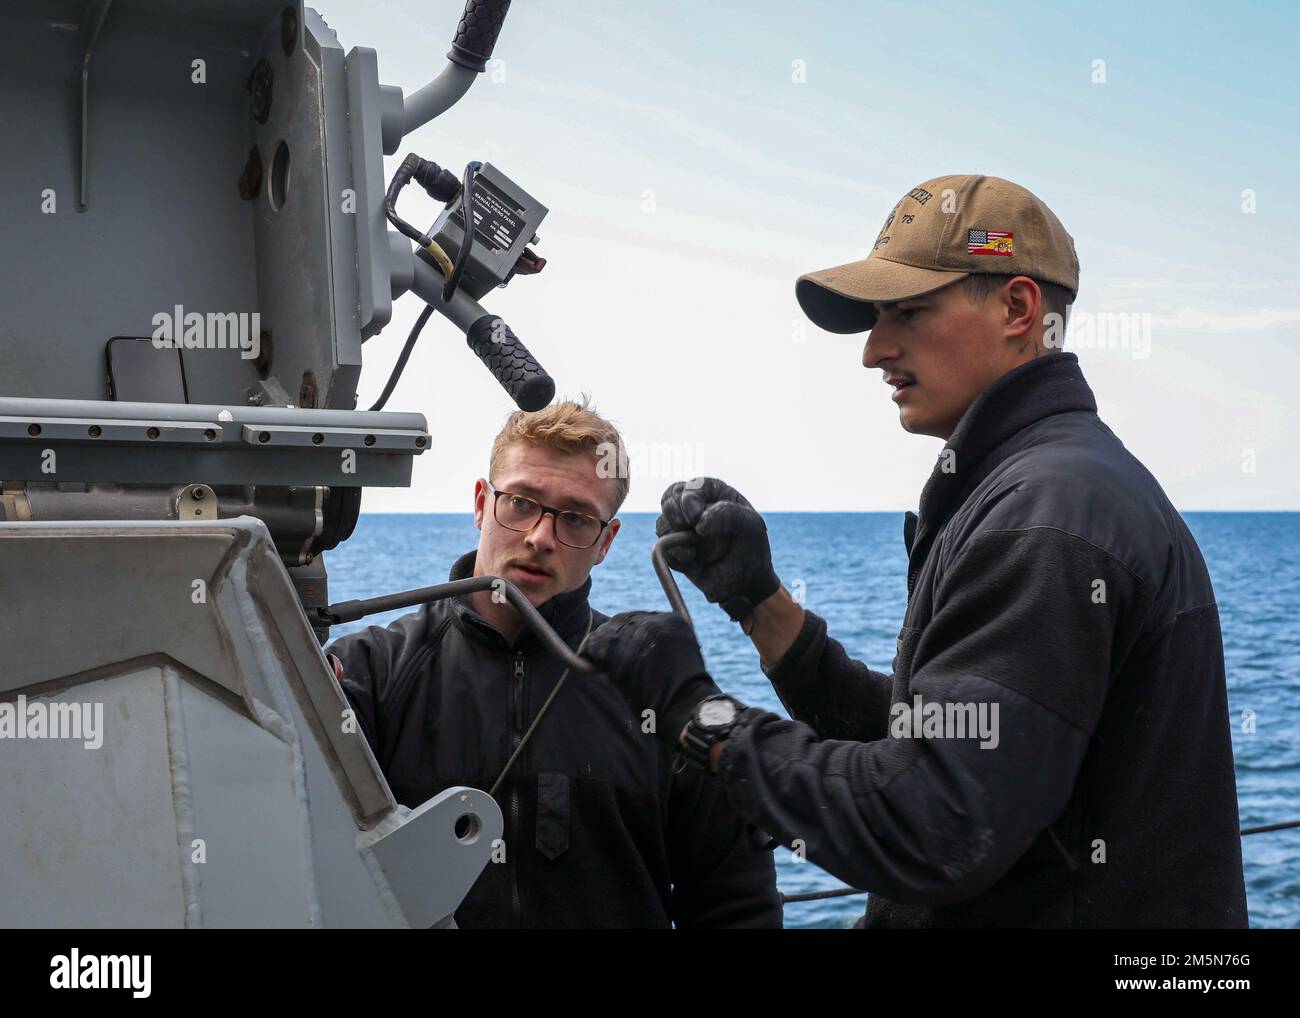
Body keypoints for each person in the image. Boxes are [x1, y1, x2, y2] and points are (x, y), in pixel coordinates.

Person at [584, 175, 1249, 928]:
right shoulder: (1043, 486)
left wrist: (697, 717)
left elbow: (933, 821)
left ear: (1018, 309)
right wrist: (762, 609)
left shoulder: (1043, 517)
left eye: (908, 311)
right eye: (876, 317)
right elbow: (945, 740)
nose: (875, 350)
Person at [326, 397, 781, 928]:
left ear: (606, 541)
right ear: (480, 502)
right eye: (520, 502)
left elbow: (736, 903)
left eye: (575, 518)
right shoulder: (370, 673)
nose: (540, 537)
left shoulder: (658, 691)